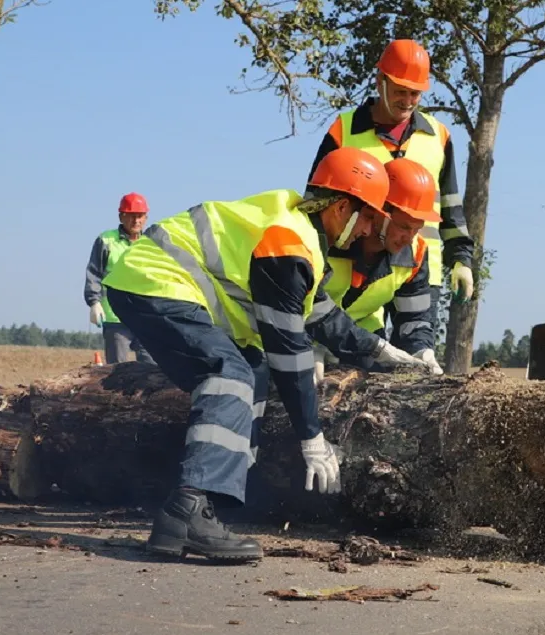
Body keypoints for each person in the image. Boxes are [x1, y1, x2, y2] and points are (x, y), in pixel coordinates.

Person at [101, 147, 430, 562]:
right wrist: (312, 438)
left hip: (157, 283)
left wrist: (381, 351)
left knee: (251, 369)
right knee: (230, 373)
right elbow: (290, 351)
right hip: (154, 280)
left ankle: (213, 501)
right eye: (366, 217)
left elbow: (322, 315)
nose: (368, 229)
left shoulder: (301, 235)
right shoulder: (288, 244)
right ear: (342, 207)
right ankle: (186, 509)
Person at [306, 39, 476, 347]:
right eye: (400, 90)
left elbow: (450, 205)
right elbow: (316, 204)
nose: (408, 100)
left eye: (415, 93)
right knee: (352, 353)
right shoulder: (343, 130)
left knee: (415, 356)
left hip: (419, 271)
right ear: (380, 81)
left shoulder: (438, 136)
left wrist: (462, 259)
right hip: (351, 266)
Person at [314, 157, 444, 380]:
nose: (409, 238)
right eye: (403, 226)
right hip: (311, 333)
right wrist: (311, 343)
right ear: (378, 211)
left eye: (417, 228)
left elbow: (415, 319)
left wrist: (423, 351)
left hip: (364, 339)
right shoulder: (331, 237)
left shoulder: (417, 253)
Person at [84, 192, 156, 364]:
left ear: (146, 217)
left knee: (152, 370)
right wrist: (94, 302)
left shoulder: (151, 243)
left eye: (140, 216)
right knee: (118, 371)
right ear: (121, 216)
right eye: (131, 216)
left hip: (146, 317)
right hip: (115, 318)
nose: (136, 221)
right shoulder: (106, 241)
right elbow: (94, 273)